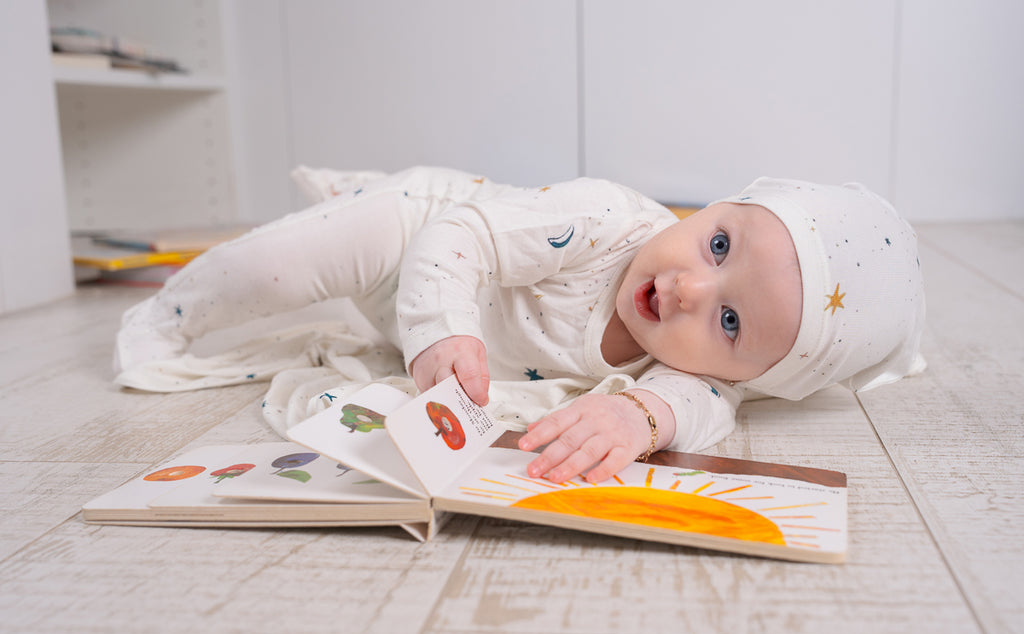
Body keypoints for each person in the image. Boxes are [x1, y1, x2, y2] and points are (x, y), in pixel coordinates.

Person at [113, 166, 925, 484]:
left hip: (452, 330)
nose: (685, 288)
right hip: (422, 236)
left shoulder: (699, 377)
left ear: (753, 375)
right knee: (276, 270)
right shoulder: (606, 222)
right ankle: (165, 316)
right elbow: (459, 237)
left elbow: (706, 411)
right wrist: (434, 328)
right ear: (714, 205)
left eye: (731, 319)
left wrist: (634, 414)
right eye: (717, 244)